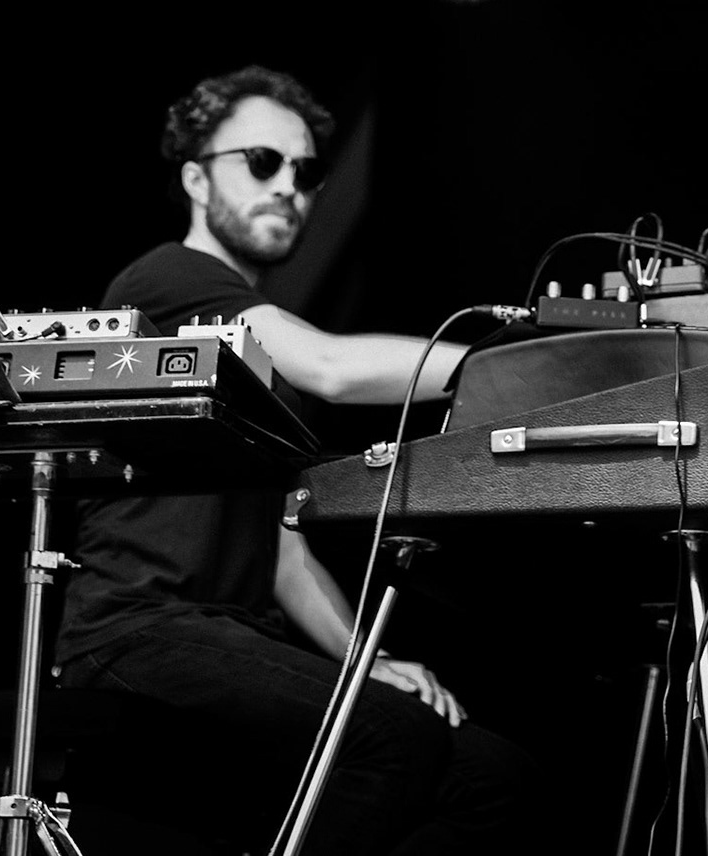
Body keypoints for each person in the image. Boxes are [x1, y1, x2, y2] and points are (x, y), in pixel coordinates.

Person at [55, 64, 530, 854]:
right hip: (137, 626)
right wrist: (519, 367)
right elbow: (334, 368)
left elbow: (281, 545)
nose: (290, 188)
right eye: (264, 162)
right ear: (196, 180)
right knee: (390, 739)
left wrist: (364, 660)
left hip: (231, 633)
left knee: (496, 779)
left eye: (306, 173)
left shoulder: (255, 334)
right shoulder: (168, 280)